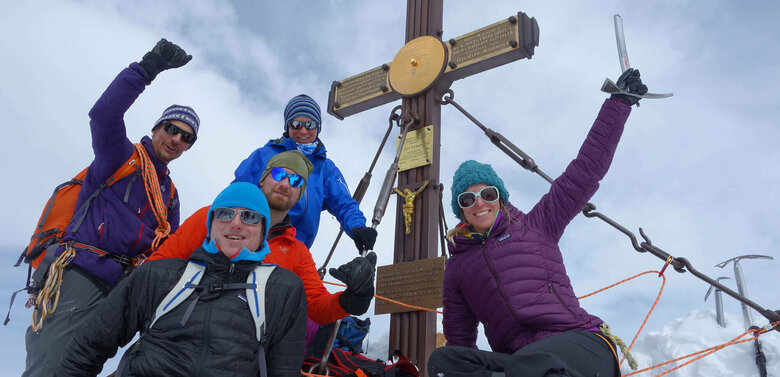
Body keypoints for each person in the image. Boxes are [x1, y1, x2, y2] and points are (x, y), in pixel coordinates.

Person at [428, 69, 649, 377]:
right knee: (443, 361)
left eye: (487, 194)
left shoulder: (538, 224)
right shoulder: (457, 270)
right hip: (520, 363)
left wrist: (619, 104)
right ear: (460, 210)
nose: (479, 203)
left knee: (537, 363)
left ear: (500, 198)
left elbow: (584, 172)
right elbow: (460, 339)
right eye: (467, 200)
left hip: (579, 342)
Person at [23, 38, 198, 377]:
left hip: (121, 291)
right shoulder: (120, 156)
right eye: (172, 129)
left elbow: (171, 249)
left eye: (186, 137)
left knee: (81, 367)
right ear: (157, 128)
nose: (177, 139)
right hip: (81, 273)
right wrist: (146, 69)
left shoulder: (170, 195)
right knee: (49, 364)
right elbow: (104, 114)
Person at [57, 182, 307, 376]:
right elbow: (89, 346)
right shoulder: (160, 275)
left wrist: (347, 299)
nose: (236, 223)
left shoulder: (281, 290)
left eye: (250, 217)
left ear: (263, 230)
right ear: (210, 225)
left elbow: (283, 371)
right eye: (224, 214)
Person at [150, 151, 377, 328]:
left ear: (300, 195)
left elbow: (317, 308)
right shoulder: (215, 218)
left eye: (296, 181)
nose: (286, 184)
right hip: (177, 338)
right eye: (279, 174)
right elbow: (157, 267)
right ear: (262, 180)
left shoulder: (296, 252)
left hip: (245, 354)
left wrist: (354, 297)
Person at [233, 94, 377, 252]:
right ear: (287, 126)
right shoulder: (265, 155)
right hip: (255, 243)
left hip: (296, 249)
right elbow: (236, 193)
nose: (303, 130)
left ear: (318, 128)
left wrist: (357, 228)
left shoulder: (325, 169)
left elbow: (343, 203)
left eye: (310, 124)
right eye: (296, 124)